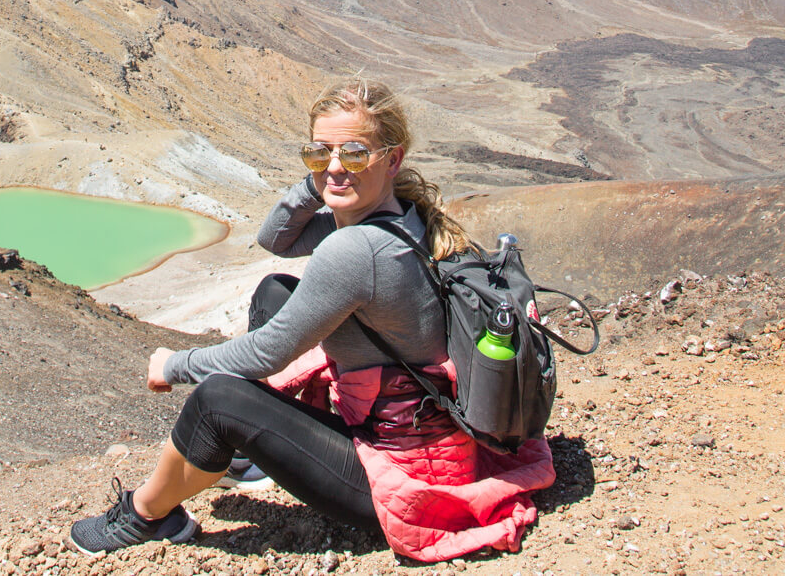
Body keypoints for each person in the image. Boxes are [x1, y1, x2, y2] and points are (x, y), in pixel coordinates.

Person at [70, 77, 554, 561]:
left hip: (403, 477)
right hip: (432, 434)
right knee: (274, 290)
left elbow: (266, 353)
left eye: (356, 153)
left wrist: (172, 364)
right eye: (320, 153)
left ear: (393, 159)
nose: (338, 167)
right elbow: (275, 239)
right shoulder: (401, 215)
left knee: (217, 399)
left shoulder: (355, 249)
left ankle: (147, 516)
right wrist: (325, 176)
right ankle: (246, 455)